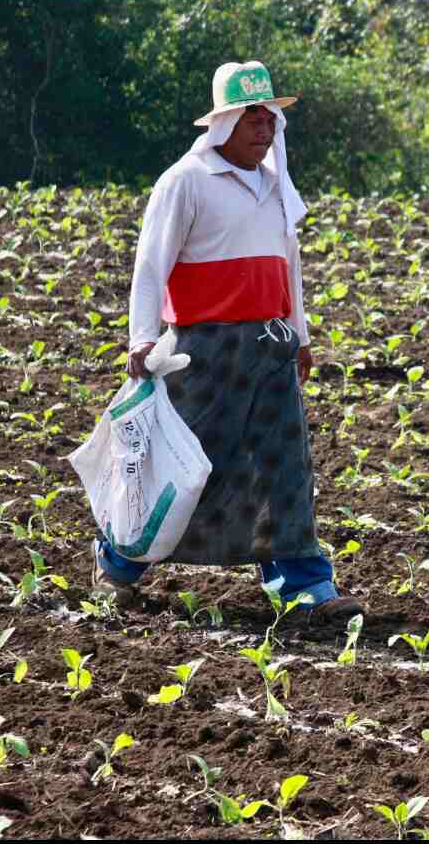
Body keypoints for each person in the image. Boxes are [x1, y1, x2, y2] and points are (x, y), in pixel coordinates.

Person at [90, 60, 364, 622]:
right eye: (252, 118)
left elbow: (287, 267)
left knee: (286, 462)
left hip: (270, 344)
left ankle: (302, 581)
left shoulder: (273, 186)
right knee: (185, 463)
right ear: (224, 124)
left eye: (269, 119)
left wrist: (301, 335)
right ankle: (117, 560)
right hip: (203, 349)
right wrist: (141, 339)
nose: (264, 130)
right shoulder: (185, 181)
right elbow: (150, 265)